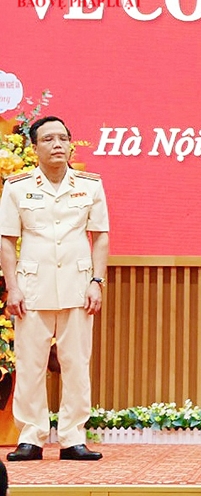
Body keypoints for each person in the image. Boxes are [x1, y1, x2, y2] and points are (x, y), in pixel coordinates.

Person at [0, 116, 108, 461]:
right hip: (32, 287)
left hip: (78, 285)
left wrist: (96, 281)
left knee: (76, 362)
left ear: (71, 144)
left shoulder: (90, 185)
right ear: (34, 148)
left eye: (63, 138)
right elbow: (6, 240)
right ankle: (30, 437)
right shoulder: (17, 187)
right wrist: (13, 287)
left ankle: (73, 437)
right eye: (48, 139)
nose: (57, 144)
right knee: (30, 363)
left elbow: (100, 236)